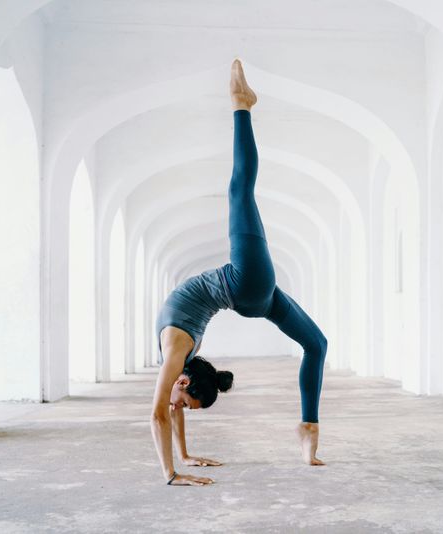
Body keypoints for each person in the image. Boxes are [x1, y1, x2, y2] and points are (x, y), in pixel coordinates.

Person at [150, 59, 328, 486]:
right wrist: (184, 459)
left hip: (249, 287)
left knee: (317, 344)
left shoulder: (176, 351)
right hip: (249, 288)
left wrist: (174, 472)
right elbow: (171, 407)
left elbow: (158, 412)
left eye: (185, 405)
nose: (180, 408)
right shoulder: (180, 363)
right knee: (239, 191)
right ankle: (241, 106)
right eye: (188, 405)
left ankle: (241, 105)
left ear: (184, 379)